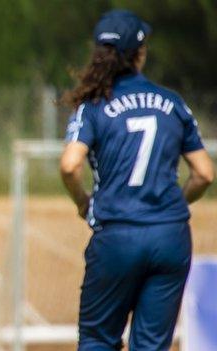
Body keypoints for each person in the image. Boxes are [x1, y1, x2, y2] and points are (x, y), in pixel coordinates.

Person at [59, 9, 215, 350]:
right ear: (139, 53)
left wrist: (84, 202)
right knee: (151, 345)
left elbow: (71, 165)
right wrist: (173, 203)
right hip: (170, 236)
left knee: (99, 339)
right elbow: (204, 173)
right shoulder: (173, 103)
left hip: (117, 235)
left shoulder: (93, 104)